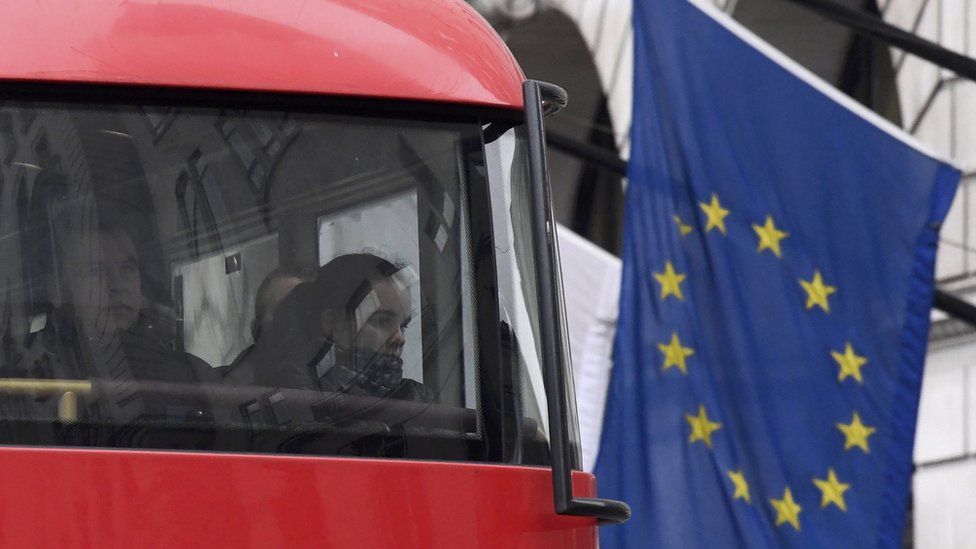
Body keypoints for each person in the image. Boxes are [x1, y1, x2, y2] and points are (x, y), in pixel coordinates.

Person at [252, 253, 434, 403]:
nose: (399, 338)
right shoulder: (292, 399)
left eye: (403, 326)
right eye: (382, 322)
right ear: (334, 324)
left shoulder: (417, 402)